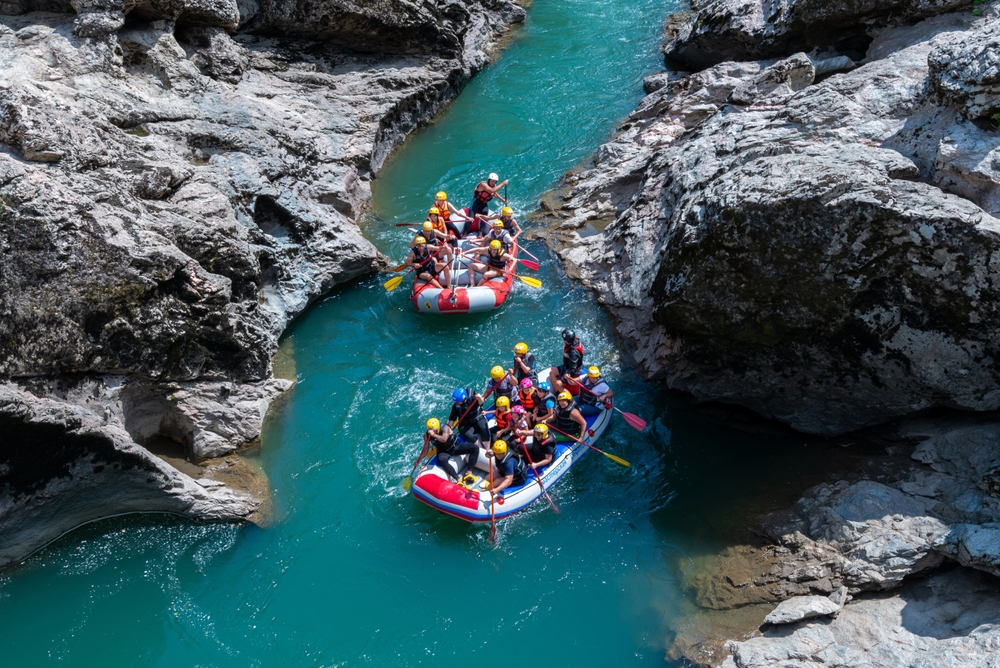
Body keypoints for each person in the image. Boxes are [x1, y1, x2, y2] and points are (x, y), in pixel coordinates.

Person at [549, 328, 584, 394]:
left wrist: (562, 380)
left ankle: (565, 396)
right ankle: (557, 392)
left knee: (558, 384)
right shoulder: (574, 339)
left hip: (572, 369)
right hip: (567, 364)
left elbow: (573, 369)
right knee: (552, 373)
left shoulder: (573, 352)